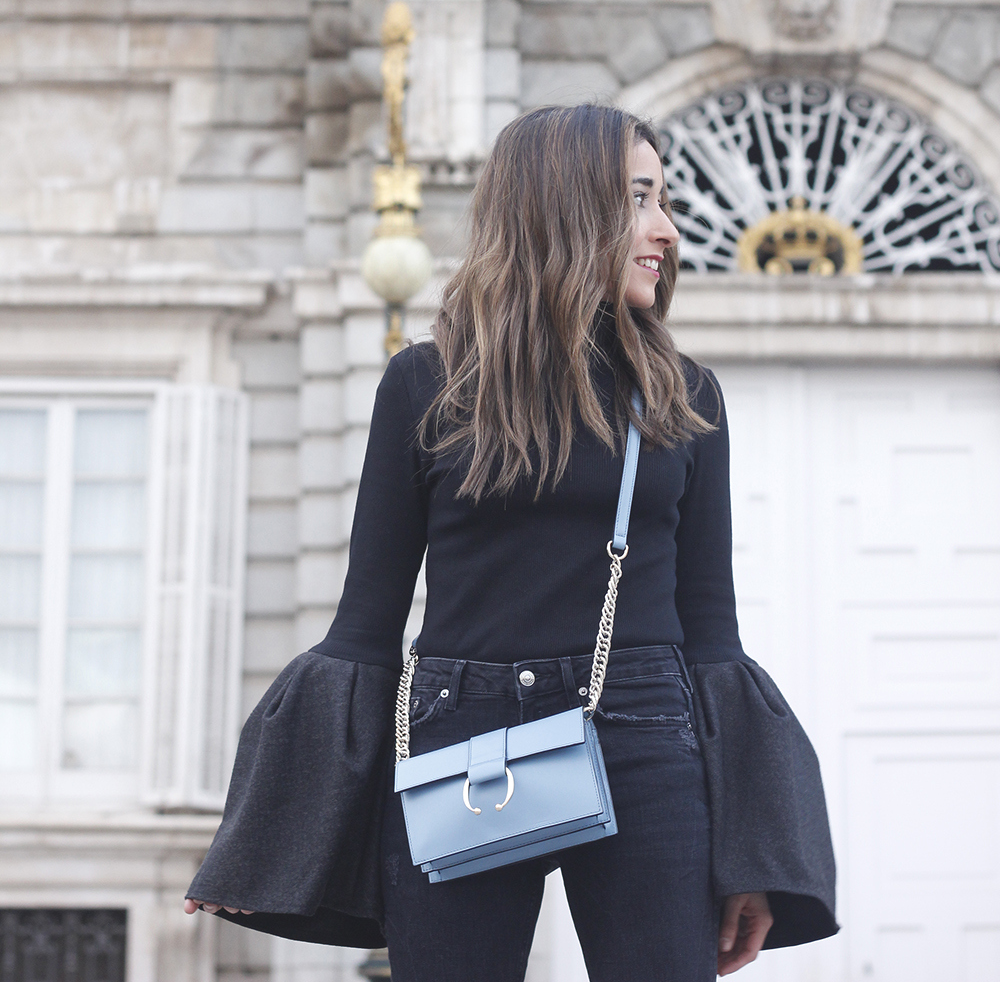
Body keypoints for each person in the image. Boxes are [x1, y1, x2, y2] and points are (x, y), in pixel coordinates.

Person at [187, 104, 837, 979]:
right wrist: (267, 838)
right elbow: (364, 627)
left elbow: (712, 634)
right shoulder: (426, 385)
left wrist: (752, 855)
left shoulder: (686, 396)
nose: (667, 231)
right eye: (641, 199)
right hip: (462, 736)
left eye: (664, 202)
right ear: (564, 207)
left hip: (644, 730)